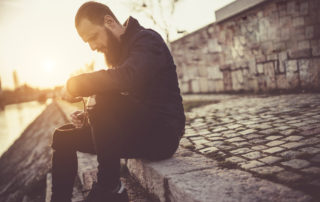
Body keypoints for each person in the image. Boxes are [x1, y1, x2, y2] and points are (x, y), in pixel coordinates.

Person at [51, 1, 185, 202]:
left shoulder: (147, 40)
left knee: (104, 95)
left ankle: (110, 188)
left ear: (109, 21)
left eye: (93, 37)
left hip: (162, 135)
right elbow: (124, 103)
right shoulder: (117, 54)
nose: (93, 46)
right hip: (137, 132)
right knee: (63, 136)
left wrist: (75, 84)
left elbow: (128, 77)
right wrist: (89, 119)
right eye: (87, 42)